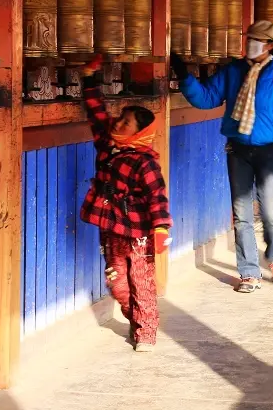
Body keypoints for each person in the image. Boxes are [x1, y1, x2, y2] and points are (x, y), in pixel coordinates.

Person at [170, 20, 273, 294]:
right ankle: (249, 272)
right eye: (249, 39)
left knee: (269, 210)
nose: (250, 44)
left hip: (269, 150)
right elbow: (207, 98)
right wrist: (184, 76)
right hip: (238, 149)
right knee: (242, 214)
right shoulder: (233, 72)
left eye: (257, 40)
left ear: (270, 46)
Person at [79, 55, 173, 352]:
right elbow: (96, 113)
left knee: (140, 280)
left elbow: (157, 197)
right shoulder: (109, 145)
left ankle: (147, 332)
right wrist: (90, 77)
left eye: (125, 122)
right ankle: (138, 319)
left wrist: (160, 229)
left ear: (139, 132)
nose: (117, 122)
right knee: (117, 283)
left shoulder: (145, 163)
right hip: (111, 230)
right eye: (119, 118)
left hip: (139, 233)